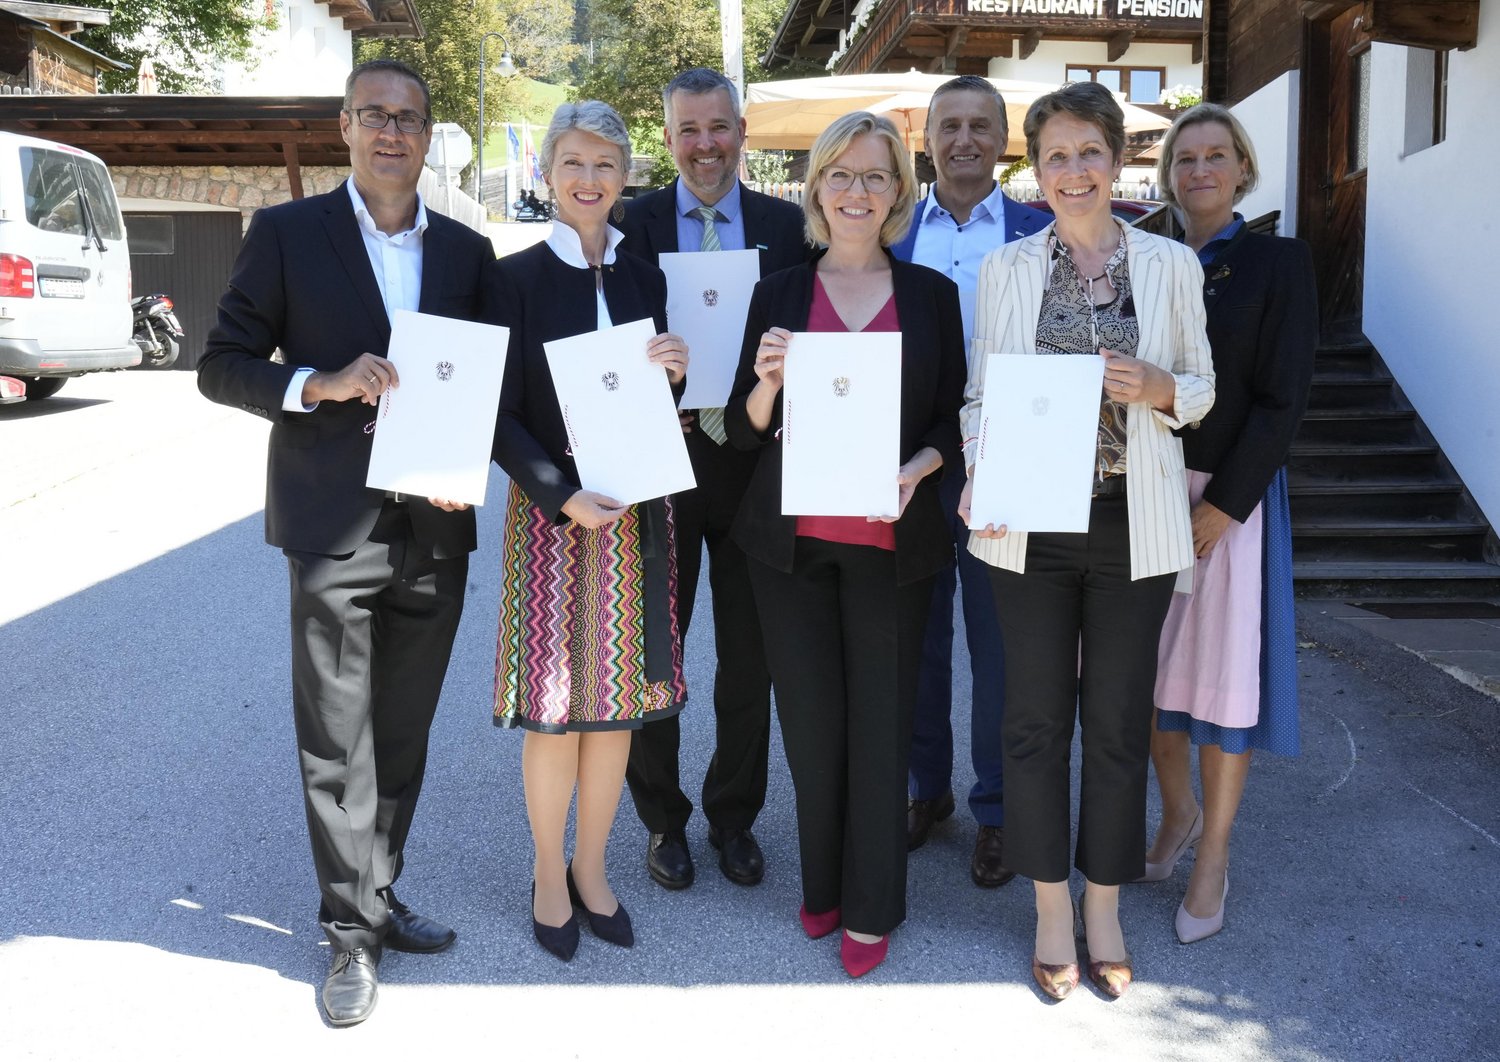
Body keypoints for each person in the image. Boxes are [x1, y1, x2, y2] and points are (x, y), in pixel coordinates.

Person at [197, 58, 494, 1026]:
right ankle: (348, 937)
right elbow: (220, 364)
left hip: (434, 528)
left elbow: (488, 384)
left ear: (428, 133)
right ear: (345, 125)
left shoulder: (466, 250)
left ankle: (379, 892)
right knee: (337, 741)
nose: (392, 131)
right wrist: (316, 383)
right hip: (332, 527)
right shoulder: (286, 234)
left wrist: (471, 467)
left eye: (410, 117)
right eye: (375, 114)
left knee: (399, 737)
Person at [957, 81, 1214, 1000]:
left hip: (1129, 522)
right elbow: (980, 393)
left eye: (1090, 153)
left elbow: (1203, 388)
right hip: (1027, 522)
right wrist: (978, 474)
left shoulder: (1170, 265)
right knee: (1031, 722)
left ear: (1117, 160)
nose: (1074, 171)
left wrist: (1157, 386)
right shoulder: (1007, 268)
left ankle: (1104, 904)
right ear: (1036, 165)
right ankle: (1051, 909)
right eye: (1057, 155)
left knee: (1114, 722)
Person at [726, 111, 965, 978]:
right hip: (789, 547)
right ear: (816, 187)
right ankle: (822, 884)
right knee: (814, 726)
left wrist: (921, 466)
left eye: (875, 176)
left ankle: (873, 907)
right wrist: (766, 383)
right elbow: (744, 432)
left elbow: (952, 419)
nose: (857, 191)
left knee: (881, 727)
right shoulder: (780, 290)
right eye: (841, 174)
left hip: (891, 542)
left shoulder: (931, 296)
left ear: (900, 190)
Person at [489, 101, 690, 963]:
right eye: (573, 161)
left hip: (639, 514)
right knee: (554, 713)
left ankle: (592, 867)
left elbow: (657, 408)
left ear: (625, 177)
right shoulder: (516, 277)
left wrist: (675, 375)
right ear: (547, 172)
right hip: (552, 518)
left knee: (614, 715)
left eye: (606, 165)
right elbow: (496, 415)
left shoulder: (646, 276)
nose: (589, 179)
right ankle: (544, 871)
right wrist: (557, 493)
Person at [618, 68, 807, 890]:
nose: (705, 145)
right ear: (668, 137)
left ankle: (734, 818)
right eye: (688, 129)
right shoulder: (627, 222)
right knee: (657, 651)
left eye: (719, 127)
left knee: (748, 660)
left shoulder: (787, 224)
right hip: (659, 468)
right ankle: (663, 821)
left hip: (754, 466)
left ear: (742, 130)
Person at [1140, 103, 1317, 943]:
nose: (1200, 170)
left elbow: (1283, 400)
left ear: (1242, 169)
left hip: (1226, 500)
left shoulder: (1279, 265)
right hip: (1140, 487)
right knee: (1133, 678)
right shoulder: (1141, 254)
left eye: (1216, 156)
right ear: (1169, 173)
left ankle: (1213, 854)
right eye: (1185, 157)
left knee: (1217, 686)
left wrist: (1226, 504)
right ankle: (1175, 812)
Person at [887, 74, 1050, 886]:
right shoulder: (888, 230)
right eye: (949, 125)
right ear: (927, 140)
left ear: (1003, 139)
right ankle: (928, 790)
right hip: (914, 462)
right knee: (918, 638)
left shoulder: (1042, 229)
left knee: (1001, 647)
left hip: (1008, 460)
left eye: (980, 126)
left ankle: (997, 809)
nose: (963, 140)